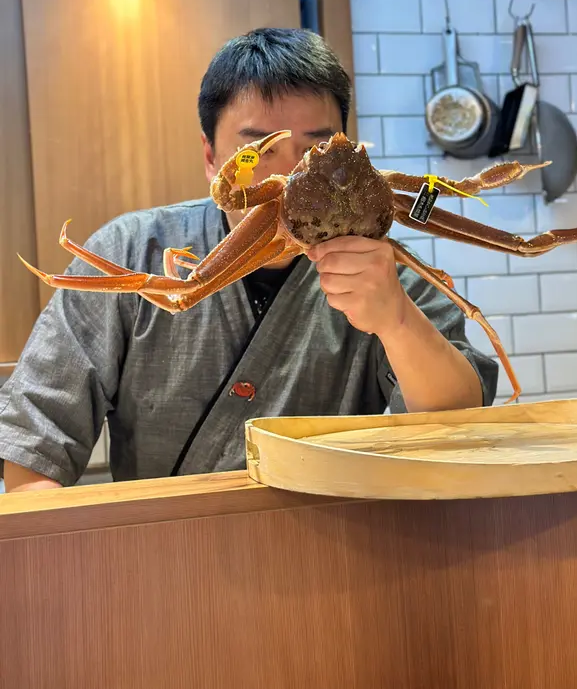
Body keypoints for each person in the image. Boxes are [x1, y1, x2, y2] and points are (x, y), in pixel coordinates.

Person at [0, 27, 498, 493]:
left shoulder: (386, 268)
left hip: (336, 542)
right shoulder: (131, 251)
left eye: (318, 148)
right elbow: (35, 438)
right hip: (166, 544)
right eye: (261, 151)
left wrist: (397, 320)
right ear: (211, 158)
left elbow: (457, 421)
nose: (294, 178)